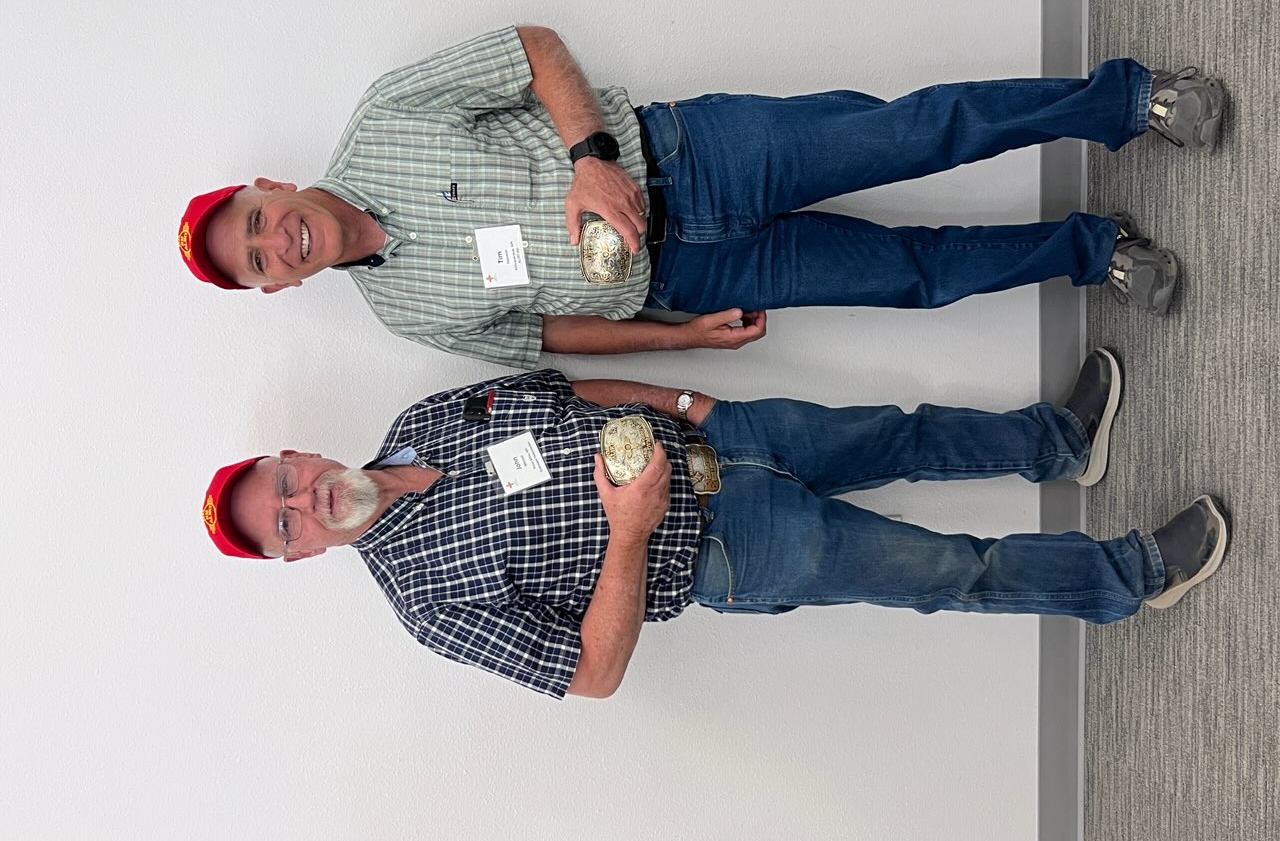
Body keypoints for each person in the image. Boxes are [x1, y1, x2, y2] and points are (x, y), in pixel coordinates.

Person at [200, 349, 1229, 699]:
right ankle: (1127, 579)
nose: (302, 503)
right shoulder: (423, 606)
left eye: (281, 485)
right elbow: (592, 672)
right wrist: (631, 530)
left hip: (726, 438)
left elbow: (563, 387)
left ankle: (1053, 443)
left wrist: (689, 402)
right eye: (285, 527)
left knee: (900, 432)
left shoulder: (417, 420)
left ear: (294, 454)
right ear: (301, 554)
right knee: (944, 568)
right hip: (728, 550)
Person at [178, 26, 1226, 369]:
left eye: (259, 222)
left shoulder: (384, 117)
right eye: (261, 260)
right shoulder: (402, 311)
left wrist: (589, 158)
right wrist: (677, 338)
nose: (279, 241)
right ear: (277, 286)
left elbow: (532, 49)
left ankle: (1128, 100)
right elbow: (547, 333)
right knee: (912, 278)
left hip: (695, 156)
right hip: (688, 274)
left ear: (271, 189)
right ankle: (1094, 250)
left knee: (919, 131)